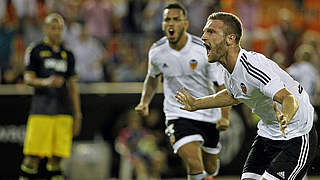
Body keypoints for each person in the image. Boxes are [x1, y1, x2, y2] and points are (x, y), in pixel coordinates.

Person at [176, 12, 318, 180]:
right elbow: (233, 96)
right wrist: (195, 104)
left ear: (230, 39)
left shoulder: (252, 68)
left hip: (296, 133)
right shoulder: (228, 69)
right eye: (205, 31)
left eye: (211, 32)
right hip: (269, 132)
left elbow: (289, 99)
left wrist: (285, 116)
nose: (203, 37)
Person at [135, 3, 231, 180]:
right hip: (177, 114)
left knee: (210, 167)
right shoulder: (156, 51)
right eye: (167, 20)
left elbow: (221, 86)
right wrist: (144, 102)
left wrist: (224, 116)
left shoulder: (202, 49)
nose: (171, 24)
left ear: (185, 24)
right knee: (194, 163)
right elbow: (152, 78)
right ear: (163, 24)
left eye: (176, 19)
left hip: (207, 114)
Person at [19, 13, 82, 180]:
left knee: (57, 159)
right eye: (53, 28)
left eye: (60, 28)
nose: (57, 32)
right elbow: (27, 79)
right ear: (45, 29)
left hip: (63, 112)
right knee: (32, 157)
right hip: (42, 111)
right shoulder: (36, 50)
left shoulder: (68, 55)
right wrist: (46, 82)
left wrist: (77, 114)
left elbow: (73, 87)